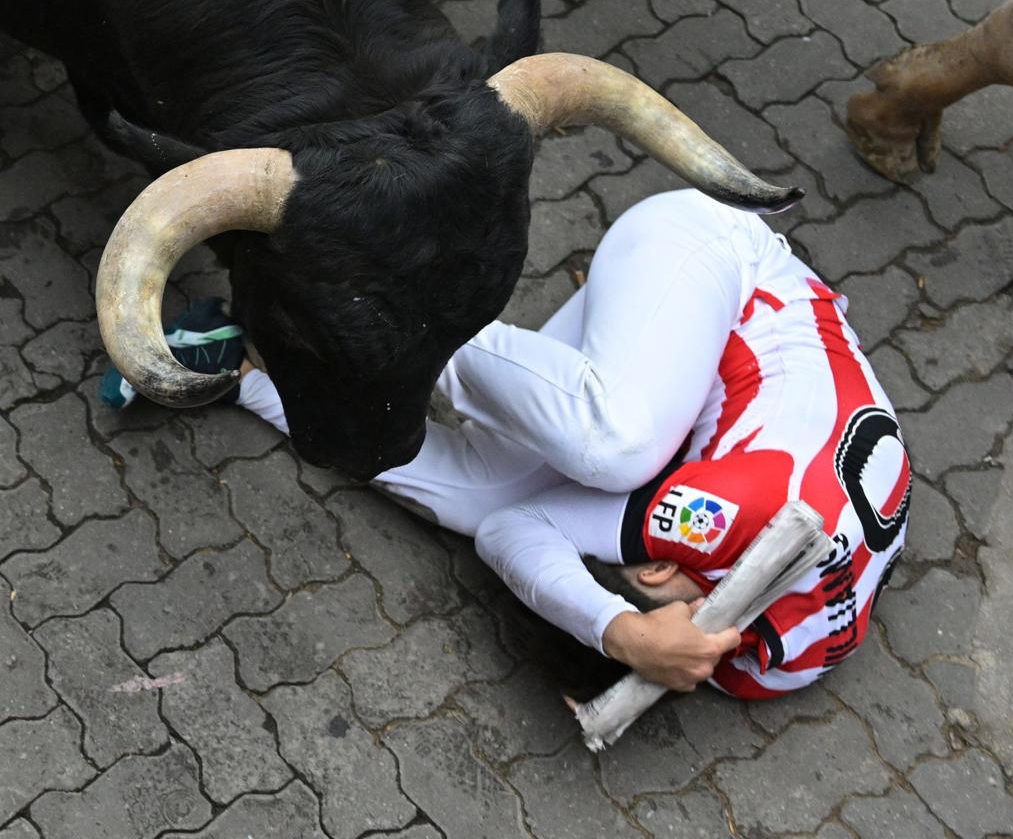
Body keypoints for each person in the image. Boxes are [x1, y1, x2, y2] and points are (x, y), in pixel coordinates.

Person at [108, 189, 910, 698]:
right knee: (615, 447)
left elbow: (503, 526)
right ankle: (366, 300)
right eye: (630, 571)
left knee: (474, 498)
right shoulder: (744, 515)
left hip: (684, 384)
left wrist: (625, 628)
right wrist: (621, 630)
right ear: (664, 562)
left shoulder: (768, 668)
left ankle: (252, 361)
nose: (623, 557)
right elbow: (529, 541)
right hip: (711, 263)